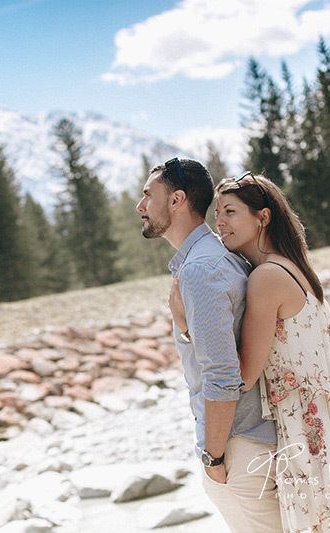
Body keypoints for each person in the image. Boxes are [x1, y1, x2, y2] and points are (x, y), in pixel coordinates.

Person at [170, 172, 330, 532]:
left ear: (263, 217)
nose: (218, 223)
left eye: (230, 212)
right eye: (217, 213)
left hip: (306, 426)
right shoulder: (293, 265)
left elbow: (242, 375)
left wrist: (186, 324)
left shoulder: (265, 278)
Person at [136, 158, 282, 532]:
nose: (140, 207)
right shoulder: (221, 256)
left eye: (147, 195)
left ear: (177, 200)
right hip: (253, 442)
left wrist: (213, 456)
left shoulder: (201, 268)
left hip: (238, 449)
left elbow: (221, 374)